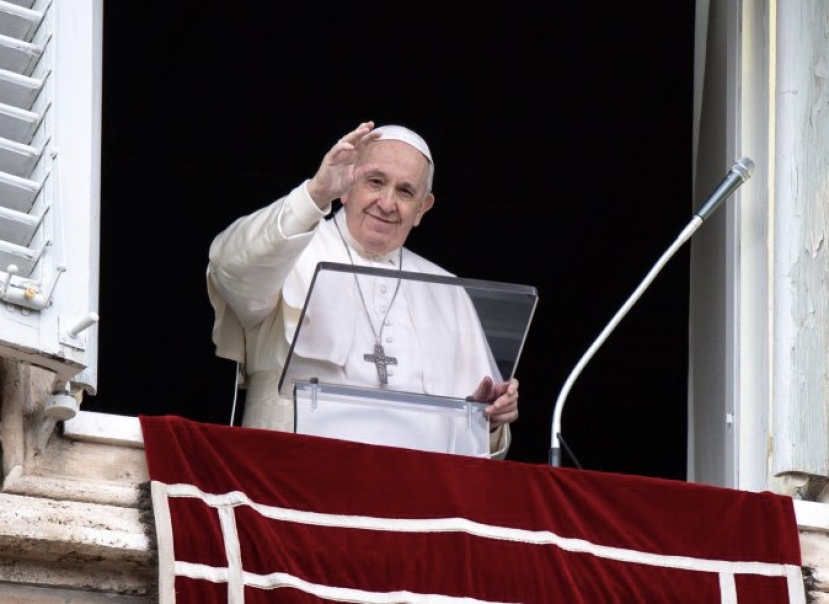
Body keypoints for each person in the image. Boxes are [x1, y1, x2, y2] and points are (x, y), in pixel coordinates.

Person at [206, 121, 519, 458]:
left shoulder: (449, 293)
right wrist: (314, 194)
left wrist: (489, 423)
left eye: (405, 191)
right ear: (347, 184)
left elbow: (477, 440)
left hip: (412, 497)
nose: (387, 203)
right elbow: (229, 268)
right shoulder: (289, 249)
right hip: (289, 481)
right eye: (375, 182)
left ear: (422, 209)